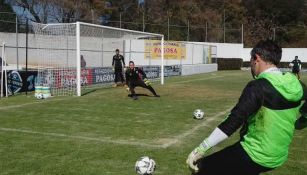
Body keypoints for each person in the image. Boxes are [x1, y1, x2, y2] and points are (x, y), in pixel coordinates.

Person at [186, 40, 306, 175]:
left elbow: (234, 121)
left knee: (201, 168)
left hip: (254, 153)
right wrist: (302, 121)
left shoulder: (258, 87)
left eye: (251, 60)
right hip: (279, 156)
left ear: (257, 58)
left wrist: (201, 148)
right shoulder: (297, 84)